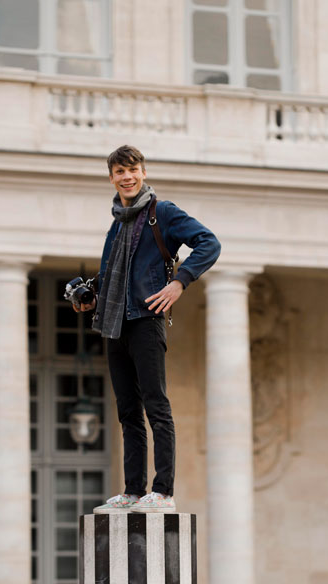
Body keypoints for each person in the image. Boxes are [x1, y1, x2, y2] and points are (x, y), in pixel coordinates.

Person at [74, 144, 221, 513]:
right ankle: (134, 490)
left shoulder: (162, 213)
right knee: (127, 411)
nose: (127, 176)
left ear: (143, 172)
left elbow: (209, 243)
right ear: (111, 178)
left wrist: (180, 282)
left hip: (145, 320)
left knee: (156, 404)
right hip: (114, 322)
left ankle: (163, 490)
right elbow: (112, 277)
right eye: (119, 172)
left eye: (132, 169)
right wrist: (90, 296)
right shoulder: (116, 223)